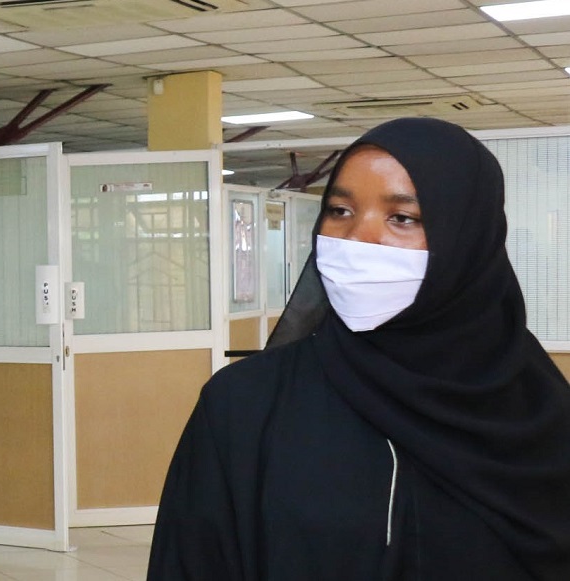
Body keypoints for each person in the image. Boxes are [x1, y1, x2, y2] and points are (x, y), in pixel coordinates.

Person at [149, 118, 570, 580]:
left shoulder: (537, 409)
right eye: (340, 211)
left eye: (402, 218)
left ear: (468, 240)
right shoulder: (245, 404)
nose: (356, 238)